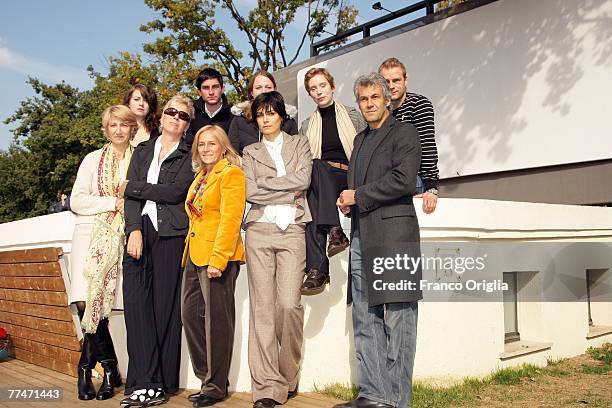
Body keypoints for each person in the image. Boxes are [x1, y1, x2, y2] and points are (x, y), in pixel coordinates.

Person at [335, 73, 422, 408]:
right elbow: (358, 187)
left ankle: (398, 399)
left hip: (395, 236)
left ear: (387, 98)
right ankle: (373, 395)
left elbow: (403, 180)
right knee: (365, 316)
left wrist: (358, 195)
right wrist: (348, 199)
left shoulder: (405, 132)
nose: (369, 104)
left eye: (374, 97)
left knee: (399, 318)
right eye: (363, 99)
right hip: (361, 235)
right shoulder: (359, 140)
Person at [120, 95, 195, 407]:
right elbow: (132, 201)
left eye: (183, 115)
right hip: (141, 232)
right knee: (136, 305)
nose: (175, 117)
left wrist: (131, 186)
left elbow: (174, 192)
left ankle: (159, 384)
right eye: (171, 112)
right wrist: (133, 229)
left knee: (165, 309)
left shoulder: (190, 154)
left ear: (188, 123)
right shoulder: (142, 150)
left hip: (171, 234)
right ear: (162, 115)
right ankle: (142, 381)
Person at [242, 91, 312, 408]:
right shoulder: (249, 151)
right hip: (258, 229)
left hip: (293, 227)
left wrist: (271, 185)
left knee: (288, 304)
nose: (266, 118)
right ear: (256, 119)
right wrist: (286, 184)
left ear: (282, 115)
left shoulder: (299, 143)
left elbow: (305, 180)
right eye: (260, 114)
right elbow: (250, 191)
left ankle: (286, 375)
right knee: (263, 311)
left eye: (271, 112)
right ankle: (267, 387)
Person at [69, 105, 137, 401]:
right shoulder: (92, 159)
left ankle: (90, 368)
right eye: (113, 125)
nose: (118, 130)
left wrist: (127, 206)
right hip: (90, 235)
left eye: (123, 124)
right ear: (105, 130)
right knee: (86, 302)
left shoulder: (141, 158)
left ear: (131, 127)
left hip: (122, 238)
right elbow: (77, 201)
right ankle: (106, 368)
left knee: (104, 306)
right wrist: (113, 202)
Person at [181, 125, 246, 407]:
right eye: (202, 144)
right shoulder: (200, 178)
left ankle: (216, 386)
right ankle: (207, 376)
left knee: (218, 322)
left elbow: (230, 220)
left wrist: (218, 259)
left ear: (223, 147)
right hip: (194, 255)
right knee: (190, 316)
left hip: (218, 257)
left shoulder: (231, 174)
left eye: (212, 144)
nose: (206, 149)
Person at [299, 67, 366, 295]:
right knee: (313, 190)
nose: (318, 92)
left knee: (316, 176)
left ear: (332, 86)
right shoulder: (307, 125)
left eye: (322, 86)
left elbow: (365, 152)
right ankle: (331, 239)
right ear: (310, 95)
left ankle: (318, 268)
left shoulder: (352, 115)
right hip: (320, 179)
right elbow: (304, 161)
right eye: (313, 89)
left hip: (348, 175)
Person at [378, 57, 439, 214]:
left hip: (413, 180)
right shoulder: (379, 114)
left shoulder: (419, 104)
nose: (391, 86)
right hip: (384, 184)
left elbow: (426, 145)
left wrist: (431, 187)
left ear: (405, 80)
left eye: (396, 80)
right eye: (386, 82)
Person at [228, 70, 299, 155]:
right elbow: (233, 155)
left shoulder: (288, 120)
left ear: (275, 90)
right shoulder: (238, 121)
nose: (263, 91)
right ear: (251, 93)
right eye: (258, 88)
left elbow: (296, 153)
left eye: (268, 87)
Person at [186, 68, 234, 145]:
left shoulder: (233, 116)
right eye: (206, 88)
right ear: (199, 92)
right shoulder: (191, 114)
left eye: (215, 87)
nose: (211, 92)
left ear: (222, 89)